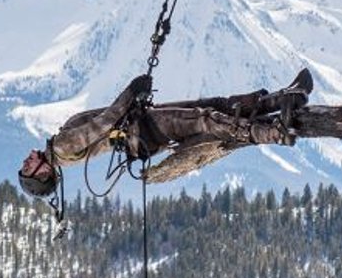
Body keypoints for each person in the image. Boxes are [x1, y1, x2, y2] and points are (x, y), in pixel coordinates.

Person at [18, 69, 314, 197]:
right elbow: (105, 123)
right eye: (28, 167)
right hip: (143, 128)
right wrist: (131, 92)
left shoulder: (60, 151)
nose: (28, 159)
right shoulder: (61, 147)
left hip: (140, 126)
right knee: (207, 118)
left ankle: (282, 100)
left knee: (211, 107)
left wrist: (132, 100)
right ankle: (274, 132)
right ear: (43, 174)